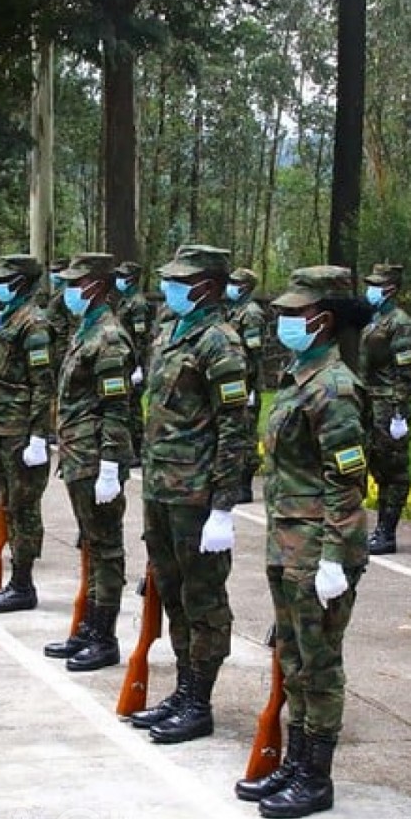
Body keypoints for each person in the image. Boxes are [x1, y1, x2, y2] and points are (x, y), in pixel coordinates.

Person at [232, 265, 369, 819]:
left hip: (318, 550)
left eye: (293, 313)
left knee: (319, 663)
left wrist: (335, 557)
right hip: (289, 544)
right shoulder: (298, 378)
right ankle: (294, 761)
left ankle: (316, 776)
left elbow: (347, 480)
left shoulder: (335, 389)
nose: (282, 320)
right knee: (292, 657)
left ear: (323, 321)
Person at [133, 245, 250, 744]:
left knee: (203, 598)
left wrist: (223, 506)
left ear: (207, 286)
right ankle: (183, 689)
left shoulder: (221, 343)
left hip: (196, 494)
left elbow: (235, 427)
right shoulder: (171, 331)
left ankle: (199, 700)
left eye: (181, 281)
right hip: (162, 486)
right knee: (174, 593)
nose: (170, 289)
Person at [42, 252, 135, 672]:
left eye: (75, 284)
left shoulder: (110, 337)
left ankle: (105, 635)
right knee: (92, 544)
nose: (68, 291)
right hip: (79, 454)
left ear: (96, 286)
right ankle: (90, 629)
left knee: (106, 547)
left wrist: (112, 465)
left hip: (97, 457)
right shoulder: (88, 329)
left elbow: (116, 407)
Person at [0, 254, 56, 613]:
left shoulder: (34, 324)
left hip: (22, 431)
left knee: (24, 509)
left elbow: (43, 384)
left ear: (21, 283)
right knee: (10, 504)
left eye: (2, 280)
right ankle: (16, 579)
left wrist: (39, 436)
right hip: (2, 426)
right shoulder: (6, 317)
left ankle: (23, 583)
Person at [360, 264, 411, 555]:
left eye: (376, 284)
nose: (370, 289)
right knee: (370, 463)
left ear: (391, 289)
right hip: (368, 401)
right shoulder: (373, 319)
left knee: (392, 469)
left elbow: (404, 372)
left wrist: (399, 413)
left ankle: (387, 531)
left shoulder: (400, 324)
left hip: (388, 405)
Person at [225, 267, 267, 503]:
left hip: (246, 382)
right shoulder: (235, 311)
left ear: (245, 287)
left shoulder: (251, 314)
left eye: (235, 282)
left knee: (247, 435)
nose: (230, 285)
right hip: (235, 381)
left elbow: (254, 353)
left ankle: (245, 485)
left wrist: (251, 387)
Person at [113, 261, 152, 465]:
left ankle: (137, 450)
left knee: (134, 408)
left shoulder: (138, 304)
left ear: (132, 279)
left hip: (135, 363)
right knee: (128, 405)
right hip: (126, 361)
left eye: (122, 275)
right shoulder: (126, 301)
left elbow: (141, 338)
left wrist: (138, 365)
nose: (118, 279)